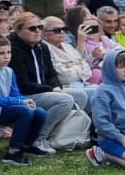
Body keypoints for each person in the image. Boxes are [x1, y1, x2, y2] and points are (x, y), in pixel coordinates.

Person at [8, 11, 83, 153]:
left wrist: (56, 86)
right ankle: (38, 138)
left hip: (43, 91)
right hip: (24, 95)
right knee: (65, 100)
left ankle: (60, 134)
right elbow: (23, 84)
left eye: (40, 27)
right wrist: (50, 89)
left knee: (81, 95)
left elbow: (52, 74)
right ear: (19, 30)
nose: (37, 31)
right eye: (32, 28)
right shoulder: (13, 50)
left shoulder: (41, 46)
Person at [0, 35, 48, 165]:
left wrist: (26, 100)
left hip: (3, 110)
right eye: (1, 53)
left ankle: (26, 146)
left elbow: (14, 94)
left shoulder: (9, 71)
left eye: (9, 52)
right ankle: (12, 152)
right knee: (25, 111)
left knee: (40, 112)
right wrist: (19, 102)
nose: (6, 57)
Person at [43, 16, 99, 108]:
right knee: (97, 93)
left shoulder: (67, 46)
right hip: (65, 87)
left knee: (104, 90)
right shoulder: (45, 49)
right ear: (45, 34)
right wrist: (79, 68)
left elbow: (88, 71)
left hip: (82, 84)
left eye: (64, 29)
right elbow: (64, 77)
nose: (62, 32)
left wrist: (73, 69)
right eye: (57, 30)